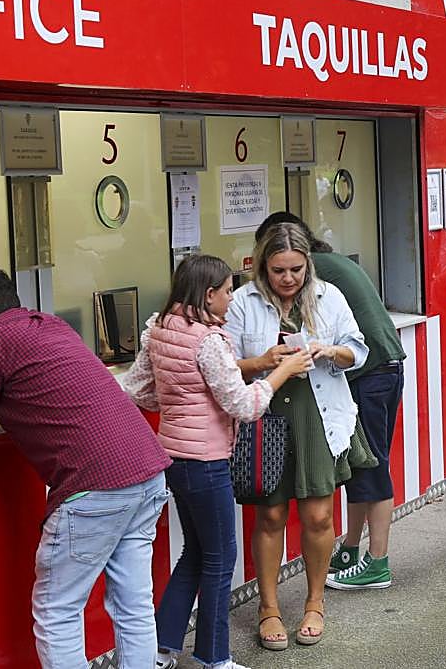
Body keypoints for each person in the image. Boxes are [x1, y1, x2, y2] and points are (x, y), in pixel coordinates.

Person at [0, 267, 171, 667]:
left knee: (58, 612)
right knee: (133, 604)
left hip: (94, 489)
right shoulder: (49, 325)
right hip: (146, 470)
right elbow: (30, 383)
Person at [121, 255, 312, 669]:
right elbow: (244, 404)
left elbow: (139, 389)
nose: (231, 299)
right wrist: (283, 372)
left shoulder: (160, 328)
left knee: (195, 551)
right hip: (207, 460)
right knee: (220, 558)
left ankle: (161, 647)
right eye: (227, 291)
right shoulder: (208, 340)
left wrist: (182, 401)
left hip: (172, 454)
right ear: (208, 295)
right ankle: (213, 657)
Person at [227, 224, 377, 649]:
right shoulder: (242, 301)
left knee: (318, 516)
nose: (288, 278)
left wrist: (331, 352)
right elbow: (224, 364)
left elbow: (359, 348)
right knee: (270, 515)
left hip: (318, 410)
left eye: (295, 269)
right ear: (262, 267)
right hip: (266, 412)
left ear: (307, 264)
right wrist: (263, 359)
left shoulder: (329, 295)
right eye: (278, 270)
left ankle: (314, 602)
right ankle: (268, 607)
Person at [252, 212, 409, 590]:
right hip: (387, 365)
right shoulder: (332, 262)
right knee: (360, 464)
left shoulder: (313, 275)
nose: (286, 277)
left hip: (367, 371)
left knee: (370, 465)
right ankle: (351, 551)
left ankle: (378, 562)